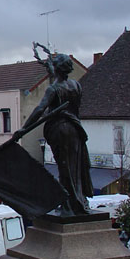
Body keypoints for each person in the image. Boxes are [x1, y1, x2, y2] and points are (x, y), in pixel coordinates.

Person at [14, 50, 93, 216]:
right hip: (75, 129)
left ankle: (70, 205)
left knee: (65, 168)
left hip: (60, 130)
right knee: (75, 168)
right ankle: (77, 200)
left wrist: (24, 128)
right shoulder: (76, 86)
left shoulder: (54, 89)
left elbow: (40, 109)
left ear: (56, 69)